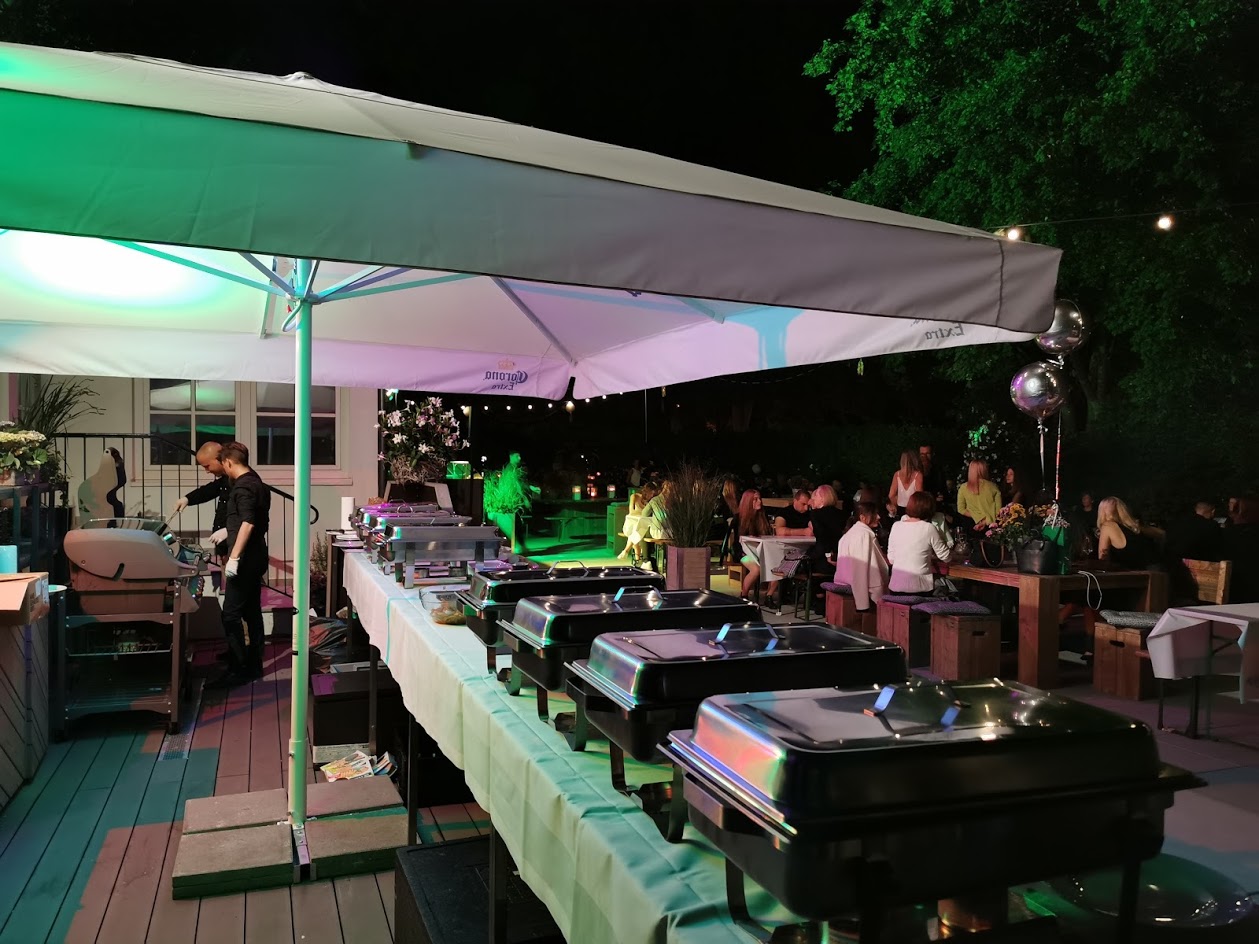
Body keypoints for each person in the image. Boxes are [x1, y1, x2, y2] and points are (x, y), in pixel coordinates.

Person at [215, 442, 271, 686]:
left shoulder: (242, 488)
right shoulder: (257, 482)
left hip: (246, 558)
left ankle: (237, 669)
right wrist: (228, 531)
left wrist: (234, 558)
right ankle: (254, 665)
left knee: (230, 615)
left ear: (228, 462)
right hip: (257, 555)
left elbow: (248, 523)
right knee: (252, 611)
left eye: (223, 465)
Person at [173, 441, 231, 557]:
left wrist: (229, 530)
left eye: (207, 466)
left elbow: (247, 517)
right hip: (225, 547)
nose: (207, 471)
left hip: (238, 548)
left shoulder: (243, 482)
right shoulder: (226, 479)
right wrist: (187, 499)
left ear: (218, 459)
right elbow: (209, 490)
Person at [886, 492, 950, 594]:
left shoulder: (896, 526)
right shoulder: (928, 528)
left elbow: (891, 559)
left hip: (896, 586)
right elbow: (945, 556)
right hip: (920, 587)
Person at [834, 501, 888, 611]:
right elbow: (859, 569)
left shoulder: (849, 534)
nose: (878, 517)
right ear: (863, 517)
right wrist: (862, 604)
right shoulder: (863, 535)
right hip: (868, 591)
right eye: (874, 514)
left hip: (847, 581)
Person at [1096, 497, 1160, 569]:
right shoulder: (1134, 527)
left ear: (1101, 511)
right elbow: (1162, 534)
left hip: (1140, 572)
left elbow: (1103, 557)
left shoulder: (1107, 526)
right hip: (1156, 568)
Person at [737, 489, 776, 601]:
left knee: (778, 567)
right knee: (756, 570)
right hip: (744, 551)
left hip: (761, 549)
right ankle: (744, 595)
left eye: (759, 498)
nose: (759, 501)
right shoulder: (739, 518)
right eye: (755, 499)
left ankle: (769, 596)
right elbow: (738, 541)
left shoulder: (763, 516)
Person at [807, 485, 847, 570]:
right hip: (840, 554)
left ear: (822, 498)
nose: (814, 498)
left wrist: (828, 554)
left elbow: (822, 535)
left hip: (824, 556)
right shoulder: (842, 513)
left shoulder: (816, 514)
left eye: (816, 495)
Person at [956, 459, 1002, 527]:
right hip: (991, 525)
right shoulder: (993, 487)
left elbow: (961, 509)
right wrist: (986, 521)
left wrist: (979, 517)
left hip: (971, 524)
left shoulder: (963, 488)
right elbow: (999, 511)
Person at [887, 450, 924, 519]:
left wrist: (895, 505)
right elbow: (919, 496)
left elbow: (891, 495)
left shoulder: (897, 474)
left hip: (900, 510)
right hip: (914, 510)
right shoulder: (918, 475)